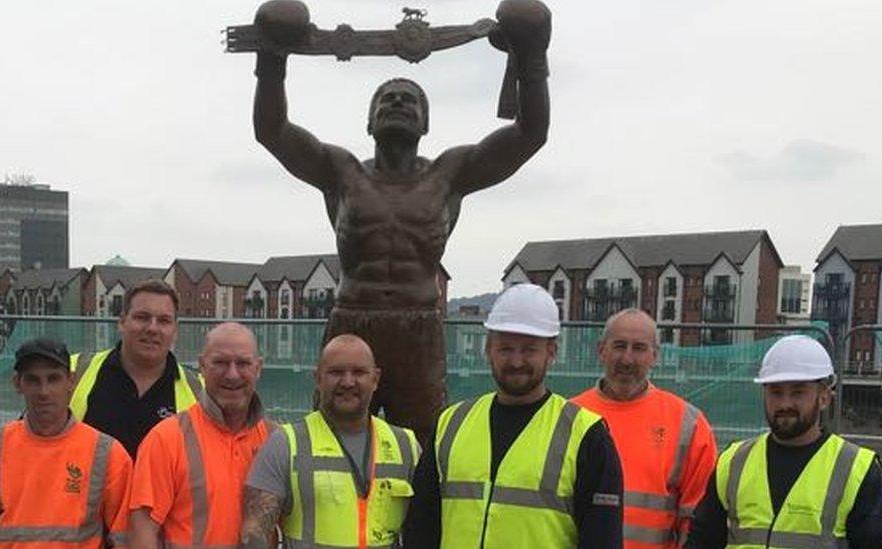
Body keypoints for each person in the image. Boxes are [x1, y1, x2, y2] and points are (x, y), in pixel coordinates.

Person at [252, 0, 552, 443]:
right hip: (353, 320)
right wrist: (271, 59)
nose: (398, 103)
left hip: (419, 328)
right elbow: (273, 131)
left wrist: (532, 60)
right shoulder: (341, 170)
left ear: (426, 122)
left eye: (409, 100)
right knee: (330, 442)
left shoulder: (450, 174)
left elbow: (530, 134)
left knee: (425, 447)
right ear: (369, 121)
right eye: (387, 99)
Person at [404, 283, 624, 548]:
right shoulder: (450, 424)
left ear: (551, 352)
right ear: (488, 350)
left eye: (529, 349)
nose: (516, 361)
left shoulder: (586, 435)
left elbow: (602, 539)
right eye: (506, 348)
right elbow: (421, 528)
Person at [685, 335, 882, 548]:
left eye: (798, 392)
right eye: (776, 392)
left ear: (824, 397)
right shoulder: (732, 463)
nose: (785, 403)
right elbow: (702, 541)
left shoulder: (857, 470)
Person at [240, 334, 420, 549]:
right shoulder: (286, 445)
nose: (348, 381)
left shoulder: (406, 446)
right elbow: (254, 533)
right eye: (336, 372)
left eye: (359, 372)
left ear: (375, 379)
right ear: (318, 378)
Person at [0, 337, 132, 548]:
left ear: (71, 381)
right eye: (33, 380)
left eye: (53, 379)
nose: (44, 392)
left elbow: (124, 539)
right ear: (17, 383)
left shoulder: (108, 454)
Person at [572, 309, 717, 548]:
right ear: (601, 351)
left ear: (655, 356)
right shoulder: (571, 415)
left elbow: (698, 520)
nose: (627, 359)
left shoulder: (688, 423)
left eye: (639, 348)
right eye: (619, 346)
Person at [128, 322, 273, 548]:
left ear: (258, 368)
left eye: (243, 363)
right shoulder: (166, 439)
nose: (232, 374)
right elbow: (142, 533)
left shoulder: (276, 441)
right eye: (220, 363)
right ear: (202, 366)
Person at [69, 278, 202, 458]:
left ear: (175, 330)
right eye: (142, 317)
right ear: (122, 322)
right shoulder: (73, 371)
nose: (152, 328)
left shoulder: (200, 391)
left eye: (163, 321)